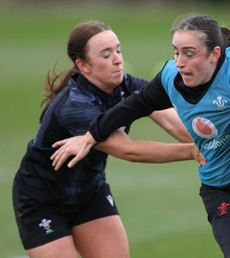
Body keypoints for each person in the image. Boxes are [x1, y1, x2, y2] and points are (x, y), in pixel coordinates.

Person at [51, 14, 230, 258]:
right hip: (228, 190)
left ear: (214, 54)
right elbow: (136, 105)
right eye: (175, 52)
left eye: (189, 53)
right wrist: (91, 135)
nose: (180, 62)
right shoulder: (171, 77)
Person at [12, 20, 205, 258]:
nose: (117, 59)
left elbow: (172, 122)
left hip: (90, 193)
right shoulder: (75, 105)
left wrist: (210, 141)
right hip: (43, 200)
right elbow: (129, 151)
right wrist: (191, 151)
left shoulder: (127, 85)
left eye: (118, 50)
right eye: (106, 55)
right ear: (83, 66)